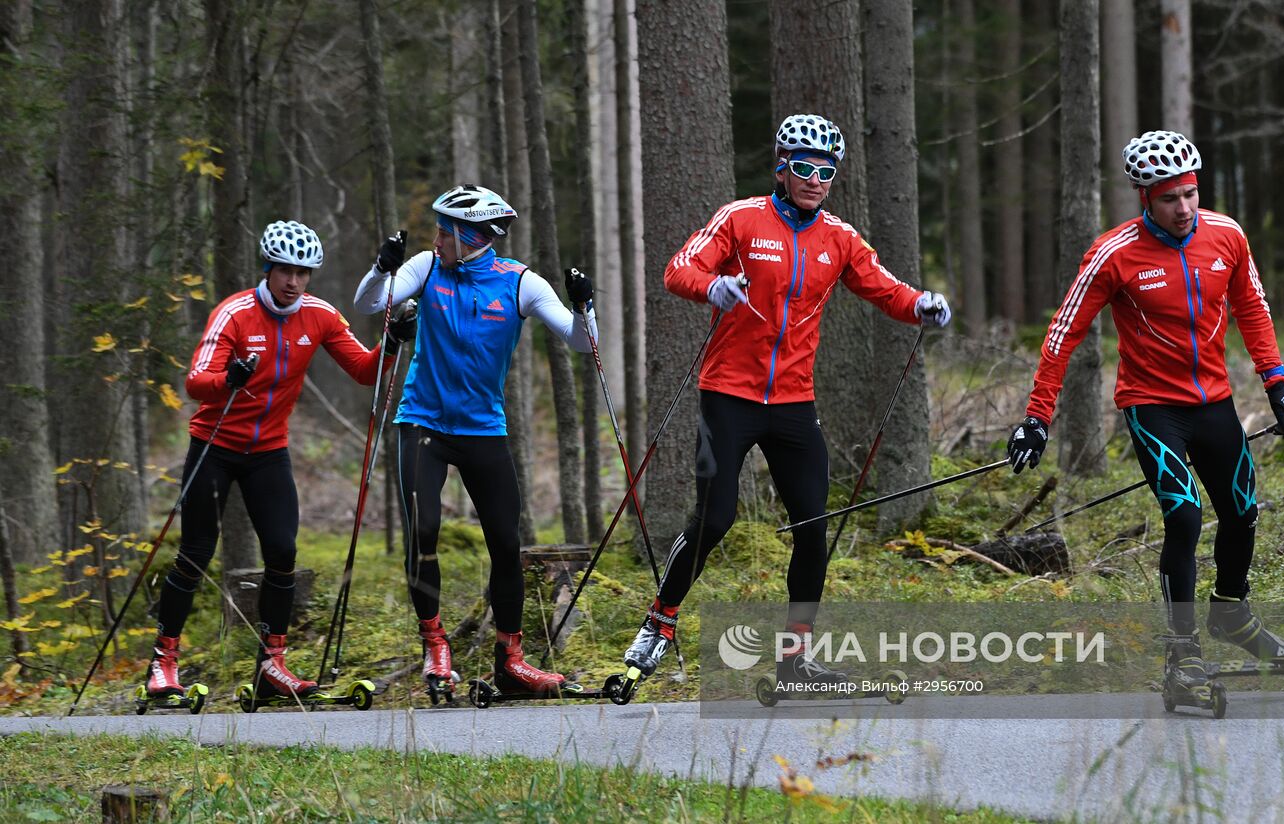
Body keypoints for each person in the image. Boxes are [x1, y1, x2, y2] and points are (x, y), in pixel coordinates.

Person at [621, 113, 953, 690]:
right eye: (804, 166)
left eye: (826, 169)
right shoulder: (741, 219)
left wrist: (922, 304)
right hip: (728, 394)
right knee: (716, 517)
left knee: (813, 527)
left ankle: (796, 660)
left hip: (794, 403)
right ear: (781, 167)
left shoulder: (839, 237)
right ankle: (659, 623)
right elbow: (679, 269)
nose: (815, 178)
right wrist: (713, 286)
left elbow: (885, 288)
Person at [1005, 130, 1284, 703]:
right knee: (1186, 516)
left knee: (1243, 513)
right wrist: (1038, 417)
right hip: (1152, 408)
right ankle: (1182, 656)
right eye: (1170, 198)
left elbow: (1253, 309)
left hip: (1214, 402)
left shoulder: (1227, 236)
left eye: (1191, 193)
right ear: (1145, 197)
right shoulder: (1114, 253)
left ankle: (1232, 615)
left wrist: (1278, 386)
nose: (1184, 207)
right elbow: (1063, 333)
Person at [145, 220, 414, 702]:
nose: (294, 281)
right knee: (196, 552)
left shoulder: (320, 316)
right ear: (268, 269)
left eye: (303, 272)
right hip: (215, 445)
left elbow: (363, 371)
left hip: (269, 450)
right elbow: (194, 383)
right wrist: (229, 378)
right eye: (285, 270)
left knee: (283, 553)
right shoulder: (235, 314)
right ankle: (163, 663)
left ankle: (273, 665)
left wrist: (392, 343)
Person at [354, 185, 597, 698]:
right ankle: (435, 646)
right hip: (422, 422)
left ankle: (512, 660)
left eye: (445, 230)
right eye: (438, 229)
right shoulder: (425, 267)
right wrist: (383, 267)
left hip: (483, 429)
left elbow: (579, 340)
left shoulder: (519, 283)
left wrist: (586, 305)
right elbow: (369, 302)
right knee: (424, 533)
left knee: (507, 545)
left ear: (472, 237)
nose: (436, 237)